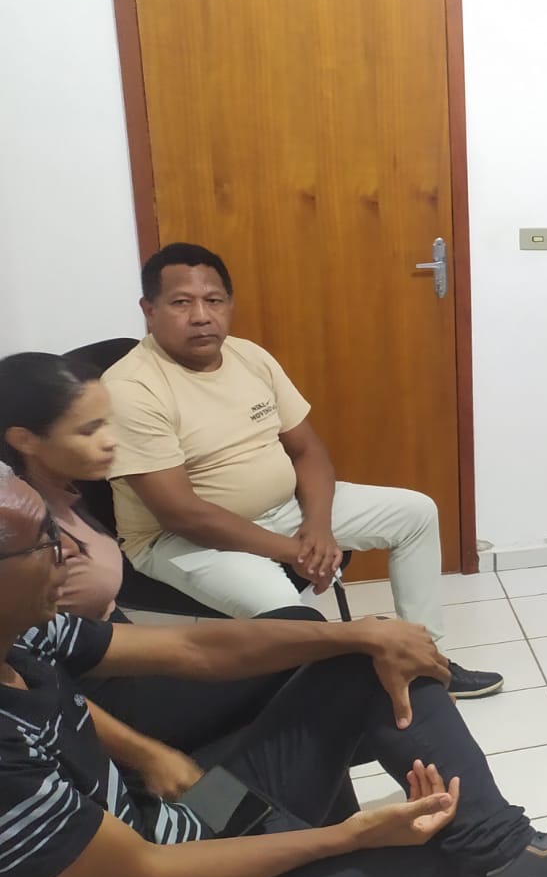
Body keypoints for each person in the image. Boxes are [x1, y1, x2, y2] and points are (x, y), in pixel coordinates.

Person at [0, 465, 547, 877]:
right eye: (45, 542)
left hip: (179, 815)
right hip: (178, 868)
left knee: (365, 660)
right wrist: (351, 836)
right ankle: (489, 859)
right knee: (440, 863)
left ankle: (507, 852)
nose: (71, 552)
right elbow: (143, 872)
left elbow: (195, 649)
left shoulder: (26, 633)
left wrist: (358, 633)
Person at [101, 242, 501, 699]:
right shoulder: (131, 388)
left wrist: (319, 527)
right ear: (149, 310)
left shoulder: (249, 357)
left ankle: (426, 662)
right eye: (180, 303)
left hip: (282, 511)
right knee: (287, 611)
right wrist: (295, 551)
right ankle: (342, 700)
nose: (201, 316)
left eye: (213, 300)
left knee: (415, 513)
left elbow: (308, 451)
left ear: (229, 304)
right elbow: (181, 514)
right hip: (182, 541)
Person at [0, 351, 327, 762]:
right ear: (25, 440)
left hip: (120, 655)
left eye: (108, 423)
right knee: (310, 668)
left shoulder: (64, 492)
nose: (111, 440)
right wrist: (146, 756)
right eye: (88, 430)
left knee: (304, 631)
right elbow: (38, 677)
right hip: (104, 701)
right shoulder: (26, 536)